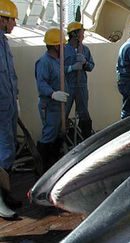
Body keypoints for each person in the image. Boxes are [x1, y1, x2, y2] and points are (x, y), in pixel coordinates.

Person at [35, 28, 69, 172]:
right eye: (63, 45)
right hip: (49, 105)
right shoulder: (44, 62)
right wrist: (53, 94)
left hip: (57, 106)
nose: (65, 47)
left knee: (56, 134)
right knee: (48, 135)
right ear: (56, 46)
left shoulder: (57, 61)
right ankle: (42, 169)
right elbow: (41, 83)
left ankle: (53, 167)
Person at [0, 0, 21, 219]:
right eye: (12, 19)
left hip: (7, 106)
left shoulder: (4, 43)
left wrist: (16, 99)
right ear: (2, 19)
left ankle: (5, 195)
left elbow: (9, 75)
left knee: (9, 151)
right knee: (2, 153)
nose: (15, 23)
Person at [64, 21, 95, 140]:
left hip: (81, 86)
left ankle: (86, 139)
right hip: (67, 86)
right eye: (82, 33)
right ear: (75, 34)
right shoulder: (64, 50)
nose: (83, 35)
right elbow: (58, 69)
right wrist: (71, 68)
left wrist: (85, 63)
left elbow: (91, 66)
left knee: (84, 114)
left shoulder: (85, 50)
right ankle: (61, 142)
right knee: (63, 114)